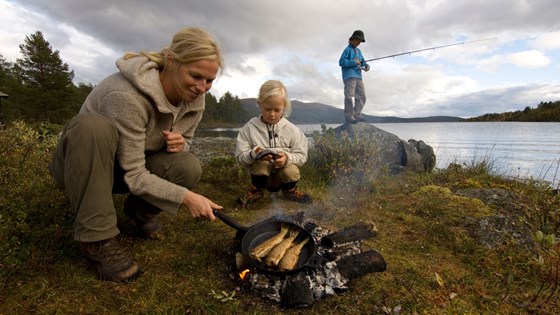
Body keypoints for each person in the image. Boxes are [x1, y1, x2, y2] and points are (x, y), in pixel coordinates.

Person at [49, 27, 224, 282]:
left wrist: (181, 143)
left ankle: (139, 213)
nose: (202, 87)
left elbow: (186, 140)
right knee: (92, 127)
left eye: (209, 80)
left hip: (126, 166)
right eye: (196, 76)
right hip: (85, 165)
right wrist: (186, 198)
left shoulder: (194, 99)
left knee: (188, 165)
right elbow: (134, 174)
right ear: (172, 61)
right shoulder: (125, 94)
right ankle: (97, 239)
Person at [235, 80, 312, 206]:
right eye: (267, 109)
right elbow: (240, 157)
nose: (272, 114)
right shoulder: (249, 128)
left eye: (277, 110)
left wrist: (287, 158)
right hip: (261, 176)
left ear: (284, 107)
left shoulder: (292, 130)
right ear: (259, 104)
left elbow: (302, 156)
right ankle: (256, 191)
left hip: (283, 177)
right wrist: (254, 154)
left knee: (291, 169)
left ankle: (290, 191)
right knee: (261, 164)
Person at [339, 30, 370, 124]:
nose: (359, 43)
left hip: (359, 77)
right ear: (353, 39)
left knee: (362, 96)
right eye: (358, 41)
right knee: (349, 97)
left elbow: (363, 62)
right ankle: (349, 116)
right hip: (349, 77)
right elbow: (341, 62)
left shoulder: (359, 51)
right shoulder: (347, 50)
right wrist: (354, 62)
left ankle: (357, 114)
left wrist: (366, 66)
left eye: (360, 41)